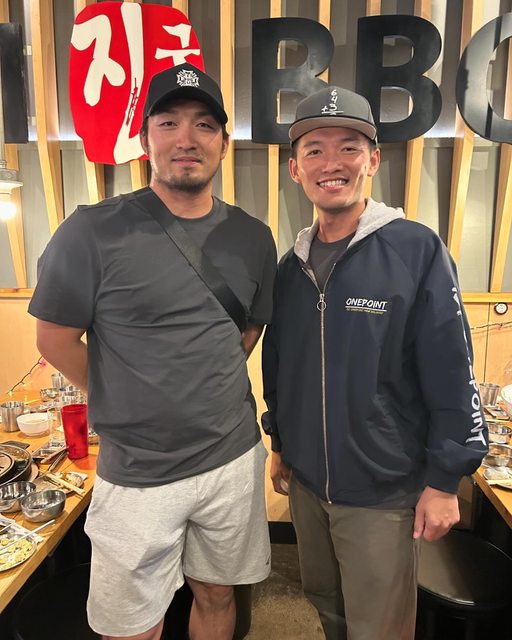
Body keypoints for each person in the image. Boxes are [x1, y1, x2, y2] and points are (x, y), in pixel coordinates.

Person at [29, 63, 276, 640]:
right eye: (168, 122)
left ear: (223, 143)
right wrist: (127, 395)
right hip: (137, 470)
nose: (186, 138)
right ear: (145, 140)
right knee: (133, 623)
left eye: (204, 125)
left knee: (218, 593)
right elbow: (54, 339)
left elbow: (246, 332)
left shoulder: (254, 237)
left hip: (231, 458)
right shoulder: (91, 231)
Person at [262, 85, 488, 640]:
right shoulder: (290, 267)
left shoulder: (415, 249)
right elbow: (280, 365)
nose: (331, 163)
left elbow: (451, 368)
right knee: (327, 606)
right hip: (308, 485)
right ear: (295, 168)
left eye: (349, 147)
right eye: (314, 150)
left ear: (373, 159)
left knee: (379, 627)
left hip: (383, 491)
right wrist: (281, 442)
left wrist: (445, 480)